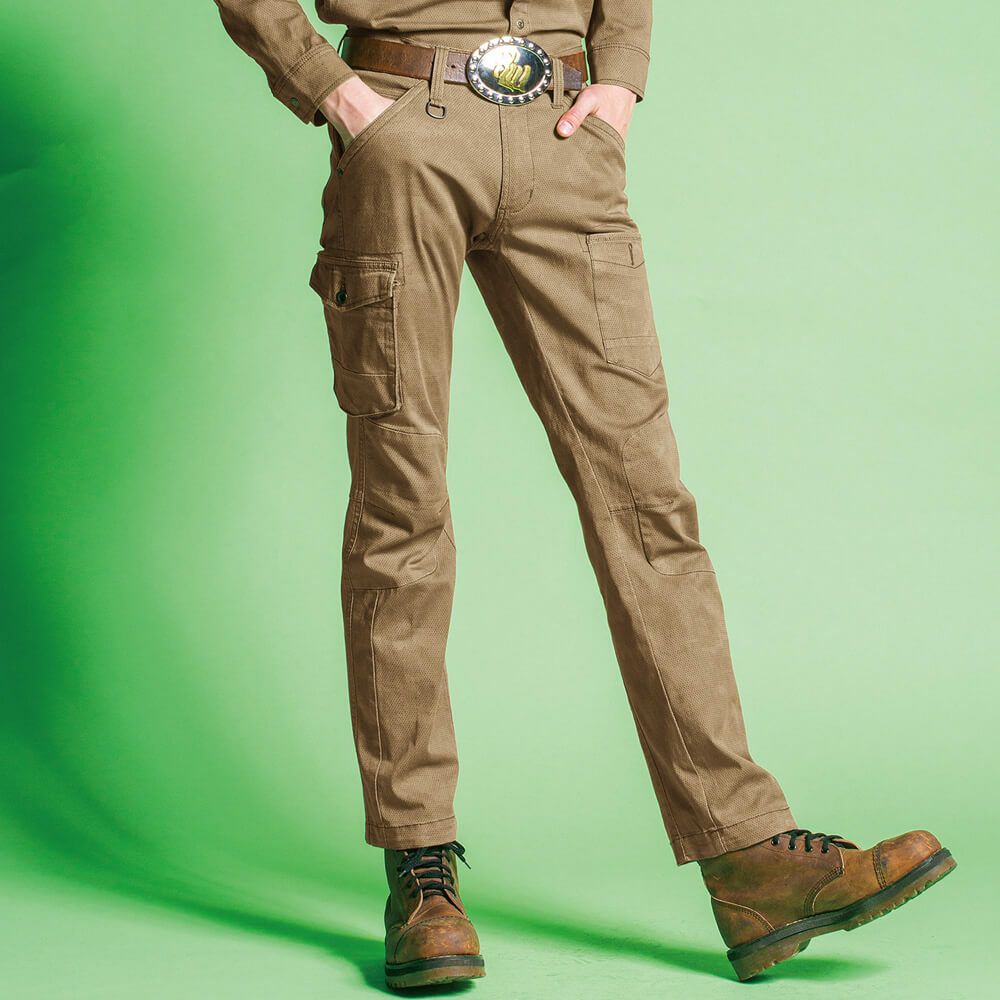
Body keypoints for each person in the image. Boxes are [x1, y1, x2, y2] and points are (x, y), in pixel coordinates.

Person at [211, 1, 955, 988]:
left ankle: (747, 858)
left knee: (649, 507)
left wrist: (621, 75)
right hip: (402, 125)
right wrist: (334, 93)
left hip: (564, 133)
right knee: (403, 506)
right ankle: (421, 876)